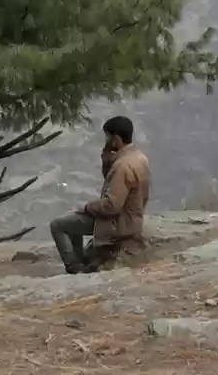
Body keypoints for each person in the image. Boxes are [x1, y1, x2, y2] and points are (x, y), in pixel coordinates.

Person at [50, 116, 151, 274]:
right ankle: (82, 259)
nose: (106, 141)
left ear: (116, 139)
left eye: (108, 137)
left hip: (118, 223)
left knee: (58, 225)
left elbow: (112, 206)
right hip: (133, 217)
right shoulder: (139, 157)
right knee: (74, 219)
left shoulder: (122, 166)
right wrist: (106, 161)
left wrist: (87, 207)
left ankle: (74, 267)